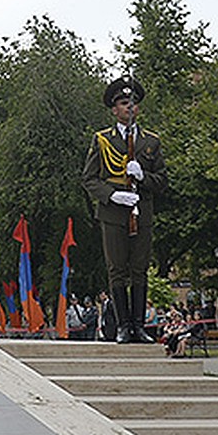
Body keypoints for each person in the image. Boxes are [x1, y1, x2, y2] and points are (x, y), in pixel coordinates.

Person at [82, 76, 167, 343]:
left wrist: (143, 177)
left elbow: (163, 182)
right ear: (114, 109)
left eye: (132, 103)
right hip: (113, 212)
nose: (129, 107)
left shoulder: (150, 141)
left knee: (140, 268)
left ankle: (139, 326)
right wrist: (112, 195)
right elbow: (89, 179)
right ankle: (122, 326)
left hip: (142, 211)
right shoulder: (102, 140)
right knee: (117, 268)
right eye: (123, 103)